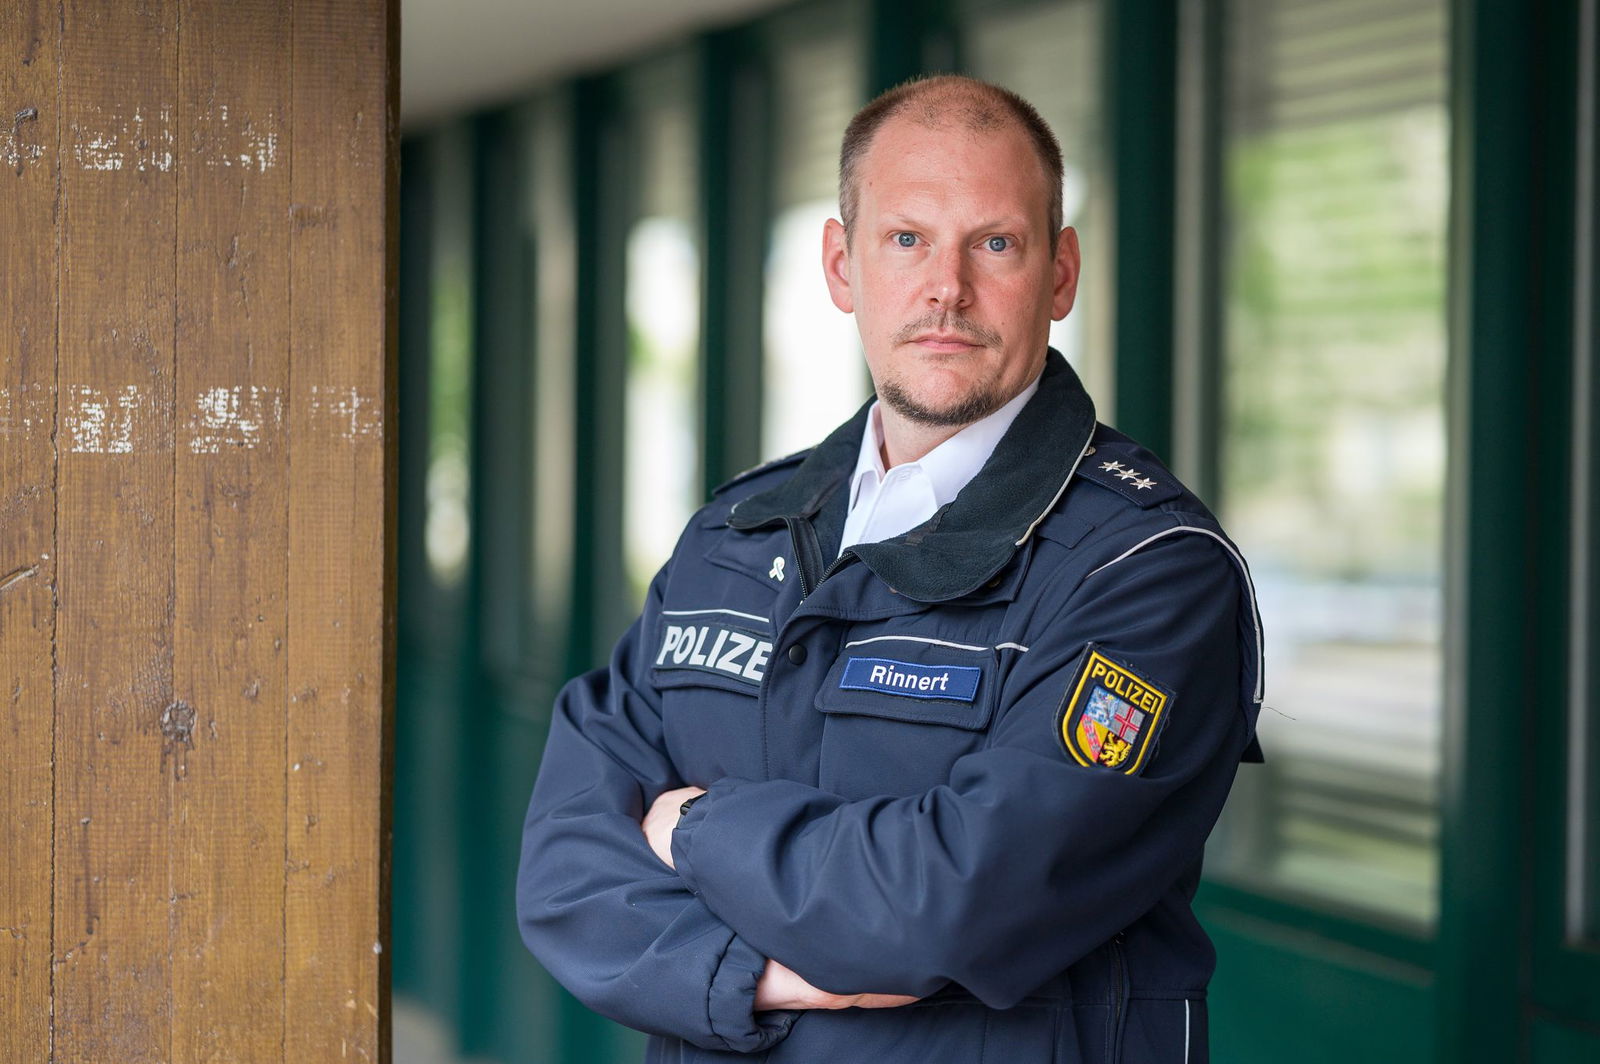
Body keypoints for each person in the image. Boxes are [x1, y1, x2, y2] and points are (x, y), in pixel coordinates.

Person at [518, 74, 1263, 1063]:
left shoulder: (1147, 570)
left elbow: (950, 902)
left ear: (1060, 273)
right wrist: (760, 975)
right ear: (841, 264)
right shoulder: (735, 536)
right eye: (906, 238)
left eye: (993, 242)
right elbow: (563, 869)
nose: (944, 287)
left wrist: (690, 826)